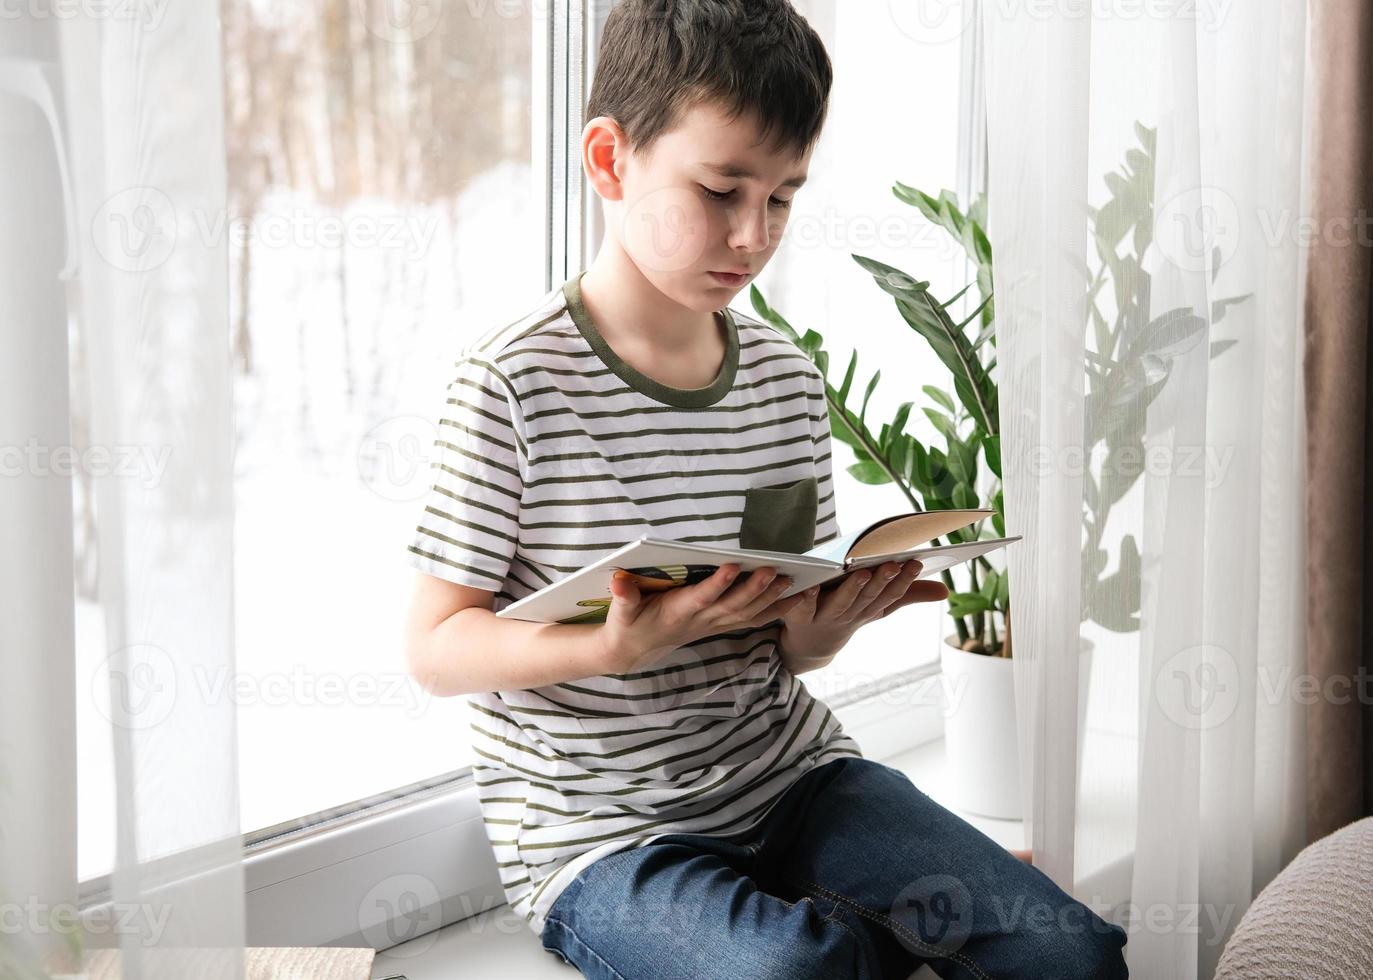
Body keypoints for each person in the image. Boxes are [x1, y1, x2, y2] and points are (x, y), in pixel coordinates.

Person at [402, 1, 1128, 976]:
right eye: (719, 189)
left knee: (1069, 953)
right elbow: (438, 649)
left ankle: (896, 907)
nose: (752, 235)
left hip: (795, 776)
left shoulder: (783, 377)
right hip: (607, 839)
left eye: (783, 197)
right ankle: (886, 917)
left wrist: (830, 622)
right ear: (611, 160)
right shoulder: (512, 383)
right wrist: (614, 646)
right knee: (797, 970)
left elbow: (788, 638)